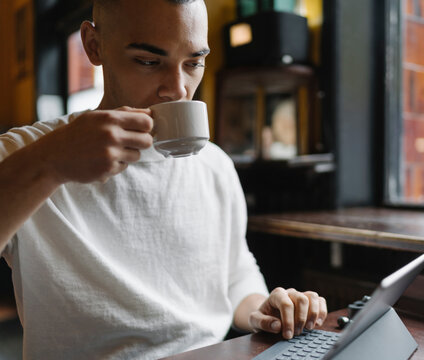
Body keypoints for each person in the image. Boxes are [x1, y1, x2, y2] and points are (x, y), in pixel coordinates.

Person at [0, 0, 327, 358]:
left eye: (194, 63)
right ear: (94, 45)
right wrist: (51, 162)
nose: (178, 89)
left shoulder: (215, 165)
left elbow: (234, 273)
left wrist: (262, 310)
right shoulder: (26, 153)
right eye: (148, 61)